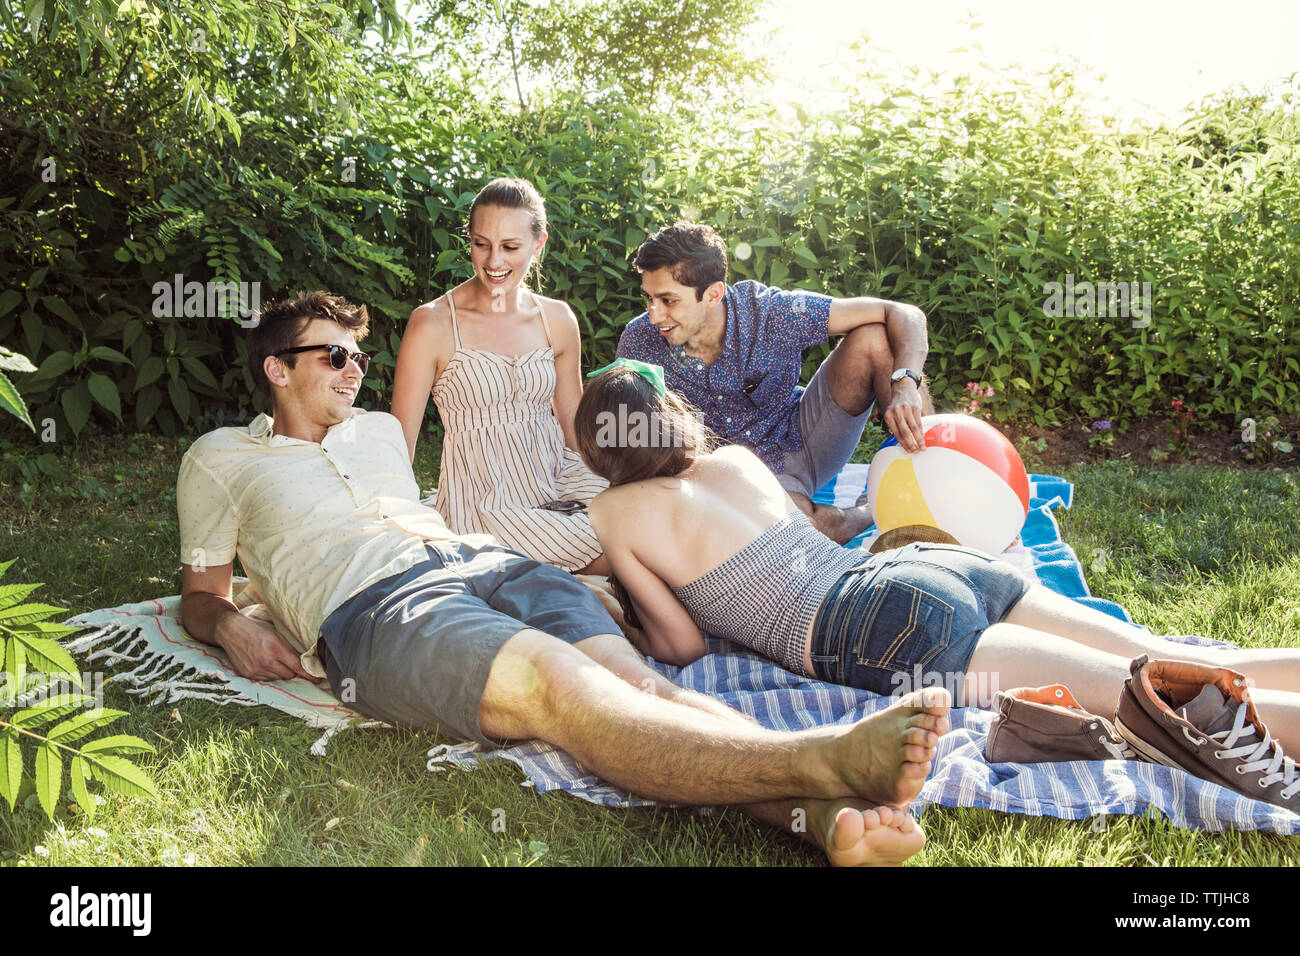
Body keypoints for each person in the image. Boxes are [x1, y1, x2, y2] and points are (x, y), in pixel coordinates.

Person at [177, 291, 955, 867]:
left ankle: (818, 818)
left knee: (635, 682)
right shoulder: (220, 459)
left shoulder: (377, 431)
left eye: (360, 357)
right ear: (277, 368)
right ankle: (821, 760)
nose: (355, 373)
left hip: (487, 562)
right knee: (559, 687)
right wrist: (231, 621)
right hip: (381, 609)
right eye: (334, 356)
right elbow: (202, 596)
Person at [574, 362, 1300, 753]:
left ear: (600, 447)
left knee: (1140, 693)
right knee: (1160, 654)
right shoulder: (734, 458)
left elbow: (681, 644)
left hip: (881, 626)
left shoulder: (612, 511)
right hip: (933, 567)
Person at [616, 222, 934, 544]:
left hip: (803, 438)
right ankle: (862, 514)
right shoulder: (639, 343)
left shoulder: (771, 312)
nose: (654, 315)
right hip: (730, 480)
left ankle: (935, 475)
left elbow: (902, 313)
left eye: (668, 301)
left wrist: (905, 385)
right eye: (649, 298)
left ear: (712, 294)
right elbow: (622, 435)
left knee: (875, 338)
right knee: (795, 532)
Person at [391, 177, 609, 575]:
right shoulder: (433, 324)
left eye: (510, 247)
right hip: (485, 501)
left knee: (645, 517)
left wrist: (610, 473)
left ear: (538, 244)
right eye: (481, 244)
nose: (494, 261)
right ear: (469, 239)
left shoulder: (556, 318)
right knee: (618, 553)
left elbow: (572, 417)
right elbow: (400, 445)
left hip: (558, 476)